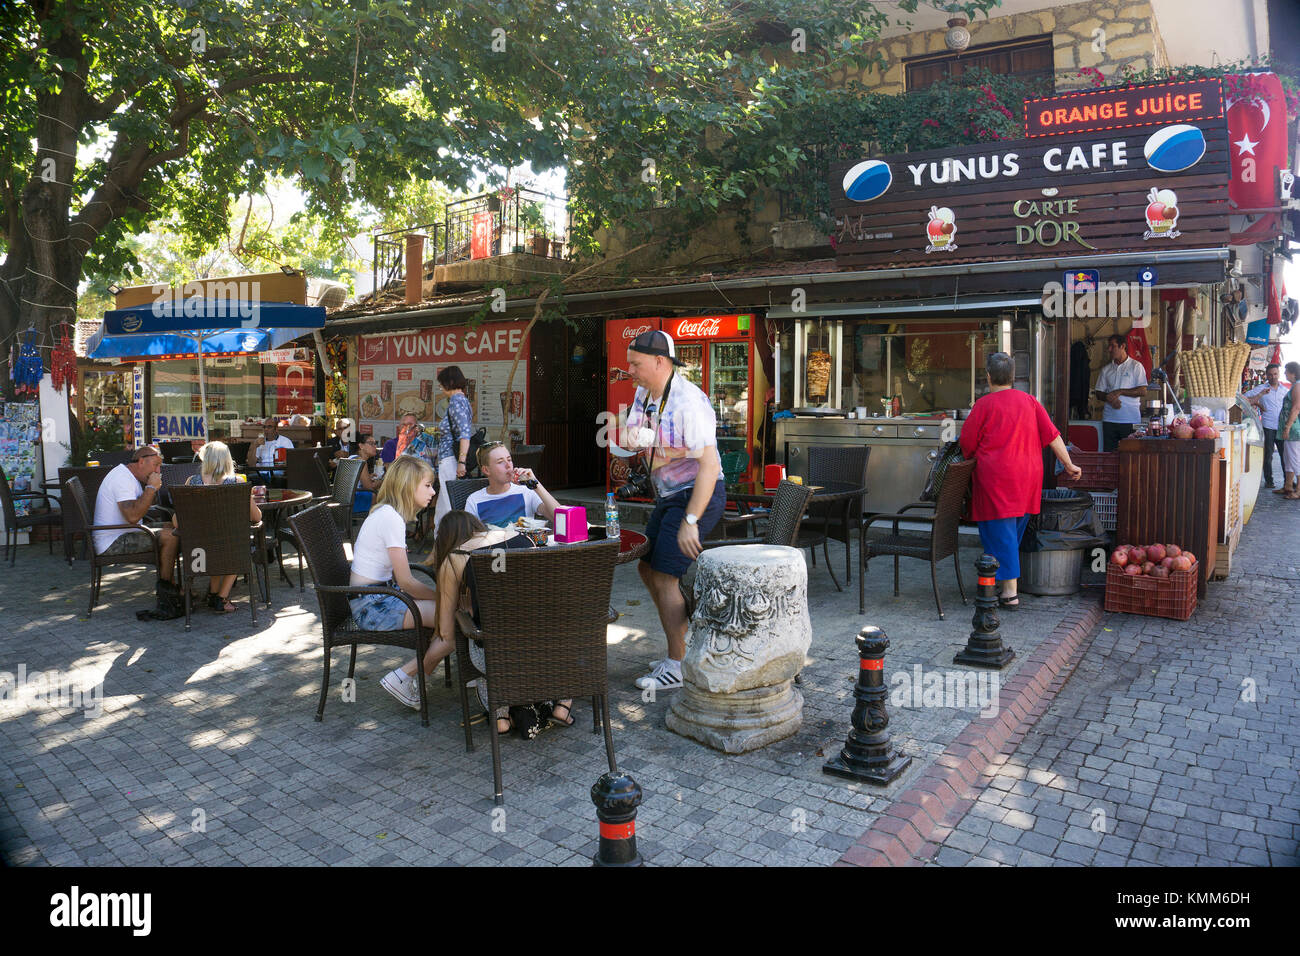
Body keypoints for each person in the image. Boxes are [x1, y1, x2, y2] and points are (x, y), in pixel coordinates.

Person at [620, 329, 726, 692]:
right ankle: (680, 647)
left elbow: (709, 466)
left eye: (635, 363)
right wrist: (670, 450)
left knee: (665, 577)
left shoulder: (688, 403)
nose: (629, 369)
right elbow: (630, 438)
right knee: (647, 567)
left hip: (696, 493)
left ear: (659, 362)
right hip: (668, 492)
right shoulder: (644, 393)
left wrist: (691, 522)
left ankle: (678, 664)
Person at [409, 510, 575, 735]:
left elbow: (447, 632)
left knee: (484, 644)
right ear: (476, 526)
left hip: (496, 656)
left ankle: (501, 716)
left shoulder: (454, 557)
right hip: (546, 650)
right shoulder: (524, 539)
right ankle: (563, 706)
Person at [960, 353, 1083, 609]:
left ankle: (1009, 592)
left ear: (989, 376)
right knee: (1009, 533)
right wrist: (1069, 464)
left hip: (997, 478)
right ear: (1013, 378)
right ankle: (991, 581)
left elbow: (967, 445)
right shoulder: (1029, 401)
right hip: (1028, 477)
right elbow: (1053, 436)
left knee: (1000, 534)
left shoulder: (983, 405)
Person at [351, 455, 442, 709]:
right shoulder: (390, 519)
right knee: (454, 618)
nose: (433, 492)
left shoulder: (386, 513)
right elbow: (406, 581)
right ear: (407, 485)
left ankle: (413, 680)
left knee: (452, 616)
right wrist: (442, 597)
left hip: (375, 598)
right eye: (427, 485)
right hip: (372, 606)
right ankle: (404, 676)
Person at [92, 444, 184, 620]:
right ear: (141, 462)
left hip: (124, 533)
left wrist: (151, 488)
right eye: (155, 465)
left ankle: (173, 588)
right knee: (170, 537)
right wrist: (150, 488)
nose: (158, 470)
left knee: (175, 529)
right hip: (112, 541)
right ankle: (167, 596)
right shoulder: (122, 479)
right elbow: (133, 516)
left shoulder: (129, 476)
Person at [182, 441, 262, 613]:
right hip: (230, 549)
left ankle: (213, 593)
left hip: (198, 550)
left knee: (215, 544)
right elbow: (256, 517)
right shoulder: (237, 482)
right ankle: (221, 598)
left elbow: (178, 520)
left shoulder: (191, 482)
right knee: (239, 544)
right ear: (227, 459)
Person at [463, 441, 559, 528]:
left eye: (509, 460)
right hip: (495, 547)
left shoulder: (526, 492)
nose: (508, 465)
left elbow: (561, 519)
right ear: (486, 470)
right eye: (500, 462)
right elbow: (469, 537)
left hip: (525, 546)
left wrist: (536, 484)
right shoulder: (474, 500)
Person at [433, 366, 473, 539]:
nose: (441, 388)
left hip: (451, 459)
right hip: (450, 459)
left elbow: (464, 434)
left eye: (442, 384)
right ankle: (440, 545)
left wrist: (461, 462)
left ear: (449, 383)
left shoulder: (457, 401)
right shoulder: (462, 400)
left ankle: (447, 545)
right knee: (443, 505)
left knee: (447, 505)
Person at [1093, 334, 1148, 451]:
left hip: (1130, 420)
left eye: (1113, 346)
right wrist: (1109, 398)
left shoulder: (1136, 366)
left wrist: (1120, 391)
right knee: (1109, 456)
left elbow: (1143, 391)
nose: (1109, 350)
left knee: (1130, 456)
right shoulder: (1106, 369)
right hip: (1109, 420)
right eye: (1109, 346)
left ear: (1122, 346)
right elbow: (1098, 392)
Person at [1246, 363, 1290, 489]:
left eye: (1275, 374)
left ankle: (1288, 481)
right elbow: (1245, 398)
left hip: (1281, 427)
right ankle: (1269, 481)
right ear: (1267, 375)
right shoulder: (1261, 388)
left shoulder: (1285, 391)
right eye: (1270, 375)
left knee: (1284, 455)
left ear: (1279, 374)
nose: (1273, 377)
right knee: (1268, 455)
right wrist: (1259, 402)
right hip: (1267, 426)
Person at [1277, 362, 1300, 500]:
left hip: (1294, 429)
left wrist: (1287, 426)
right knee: (1289, 458)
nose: (1285, 374)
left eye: (1286, 371)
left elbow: (1296, 407)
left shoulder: (1297, 386)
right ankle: (1288, 485)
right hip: (1291, 428)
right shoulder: (1295, 386)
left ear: (1293, 372)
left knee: (1295, 458)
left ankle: (1298, 490)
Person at [350, 434, 383, 515]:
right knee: (384, 494)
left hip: (346, 499)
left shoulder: (352, 457)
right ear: (361, 446)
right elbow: (369, 488)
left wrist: (368, 477)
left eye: (375, 443)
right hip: (353, 502)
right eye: (371, 443)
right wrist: (382, 481)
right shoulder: (361, 462)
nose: (375, 446)